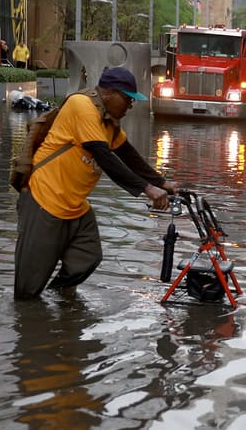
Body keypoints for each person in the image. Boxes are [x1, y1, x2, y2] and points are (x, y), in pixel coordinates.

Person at [14, 67, 173, 299]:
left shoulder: (107, 121)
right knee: (27, 289)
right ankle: (32, 321)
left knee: (87, 258)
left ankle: (57, 300)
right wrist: (147, 189)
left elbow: (127, 154)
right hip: (45, 198)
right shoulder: (83, 106)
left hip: (74, 204)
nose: (130, 106)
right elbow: (104, 156)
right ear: (108, 93)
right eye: (128, 100)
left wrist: (162, 182)